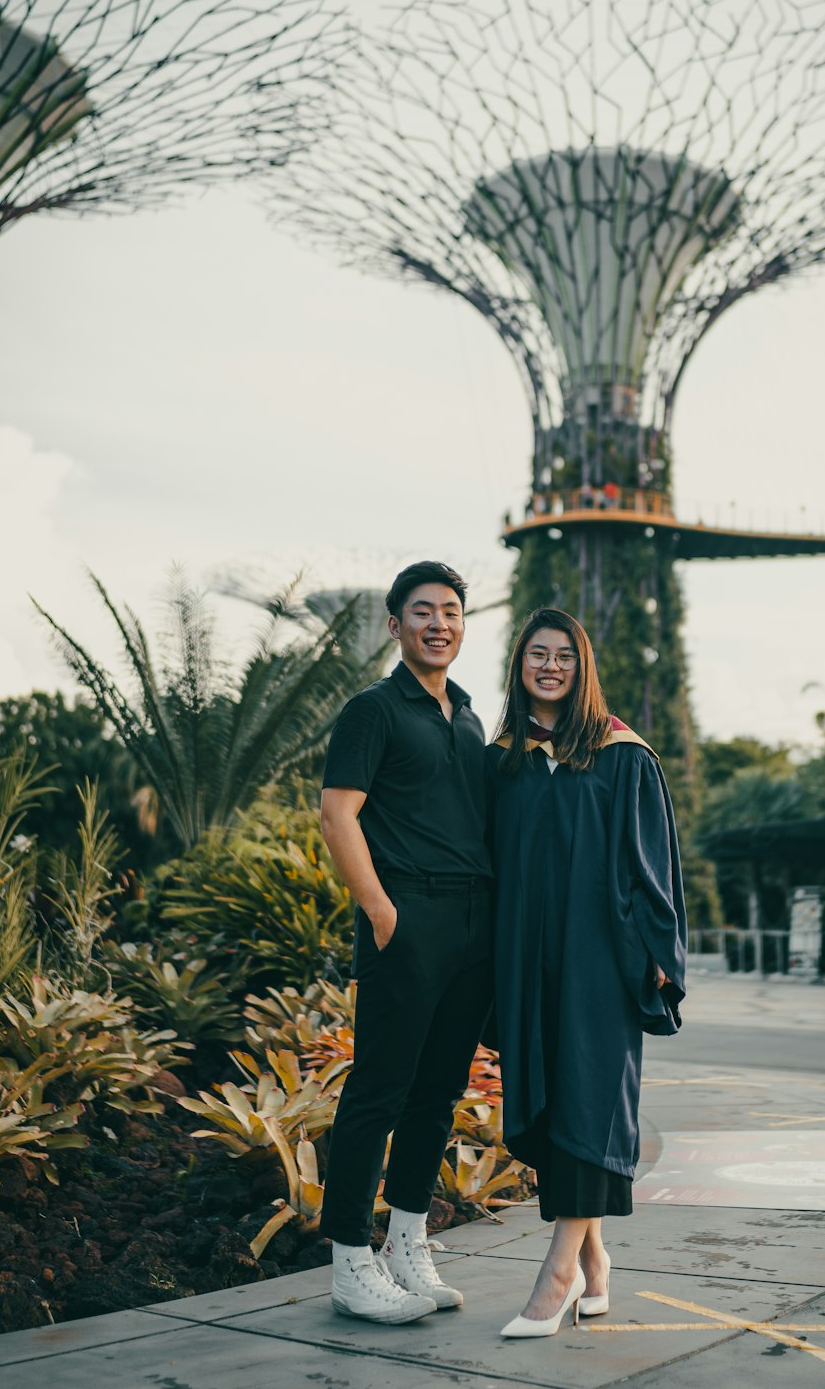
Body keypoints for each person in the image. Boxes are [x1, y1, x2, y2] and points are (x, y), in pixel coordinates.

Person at [486, 606, 686, 1340]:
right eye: (537, 654)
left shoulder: (622, 753)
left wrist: (660, 956)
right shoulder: (501, 758)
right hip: (528, 960)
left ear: (582, 666)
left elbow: (652, 860)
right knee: (548, 1106)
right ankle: (599, 1261)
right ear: (520, 666)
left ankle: (559, 1271)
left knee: (590, 1103)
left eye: (563, 655)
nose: (550, 666)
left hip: (601, 959)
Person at [318, 560, 494, 1324]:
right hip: (408, 917)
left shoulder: (467, 714)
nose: (438, 624)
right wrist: (382, 911)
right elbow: (337, 812)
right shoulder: (373, 709)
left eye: (451, 611)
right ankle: (351, 1264)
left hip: (470, 924)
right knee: (378, 1092)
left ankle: (407, 1246)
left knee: (436, 1095)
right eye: (422, 611)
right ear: (395, 626)